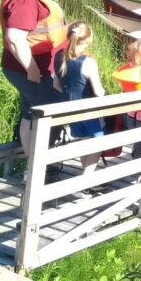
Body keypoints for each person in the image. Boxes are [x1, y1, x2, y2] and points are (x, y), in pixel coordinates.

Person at [0, 0, 67, 157]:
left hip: (30, 67)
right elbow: (15, 37)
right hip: (30, 69)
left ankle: (30, 161)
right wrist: (32, 69)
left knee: (30, 112)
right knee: (48, 112)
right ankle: (39, 166)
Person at [53, 21, 104, 174]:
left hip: (71, 108)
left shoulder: (59, 58)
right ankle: (86, 180)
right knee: (99, 142)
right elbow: (98, 91)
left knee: (83, 140)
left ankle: (87, 179)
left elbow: (56, 85)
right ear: (87, 41)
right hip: (90, 110)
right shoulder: (88, 62)